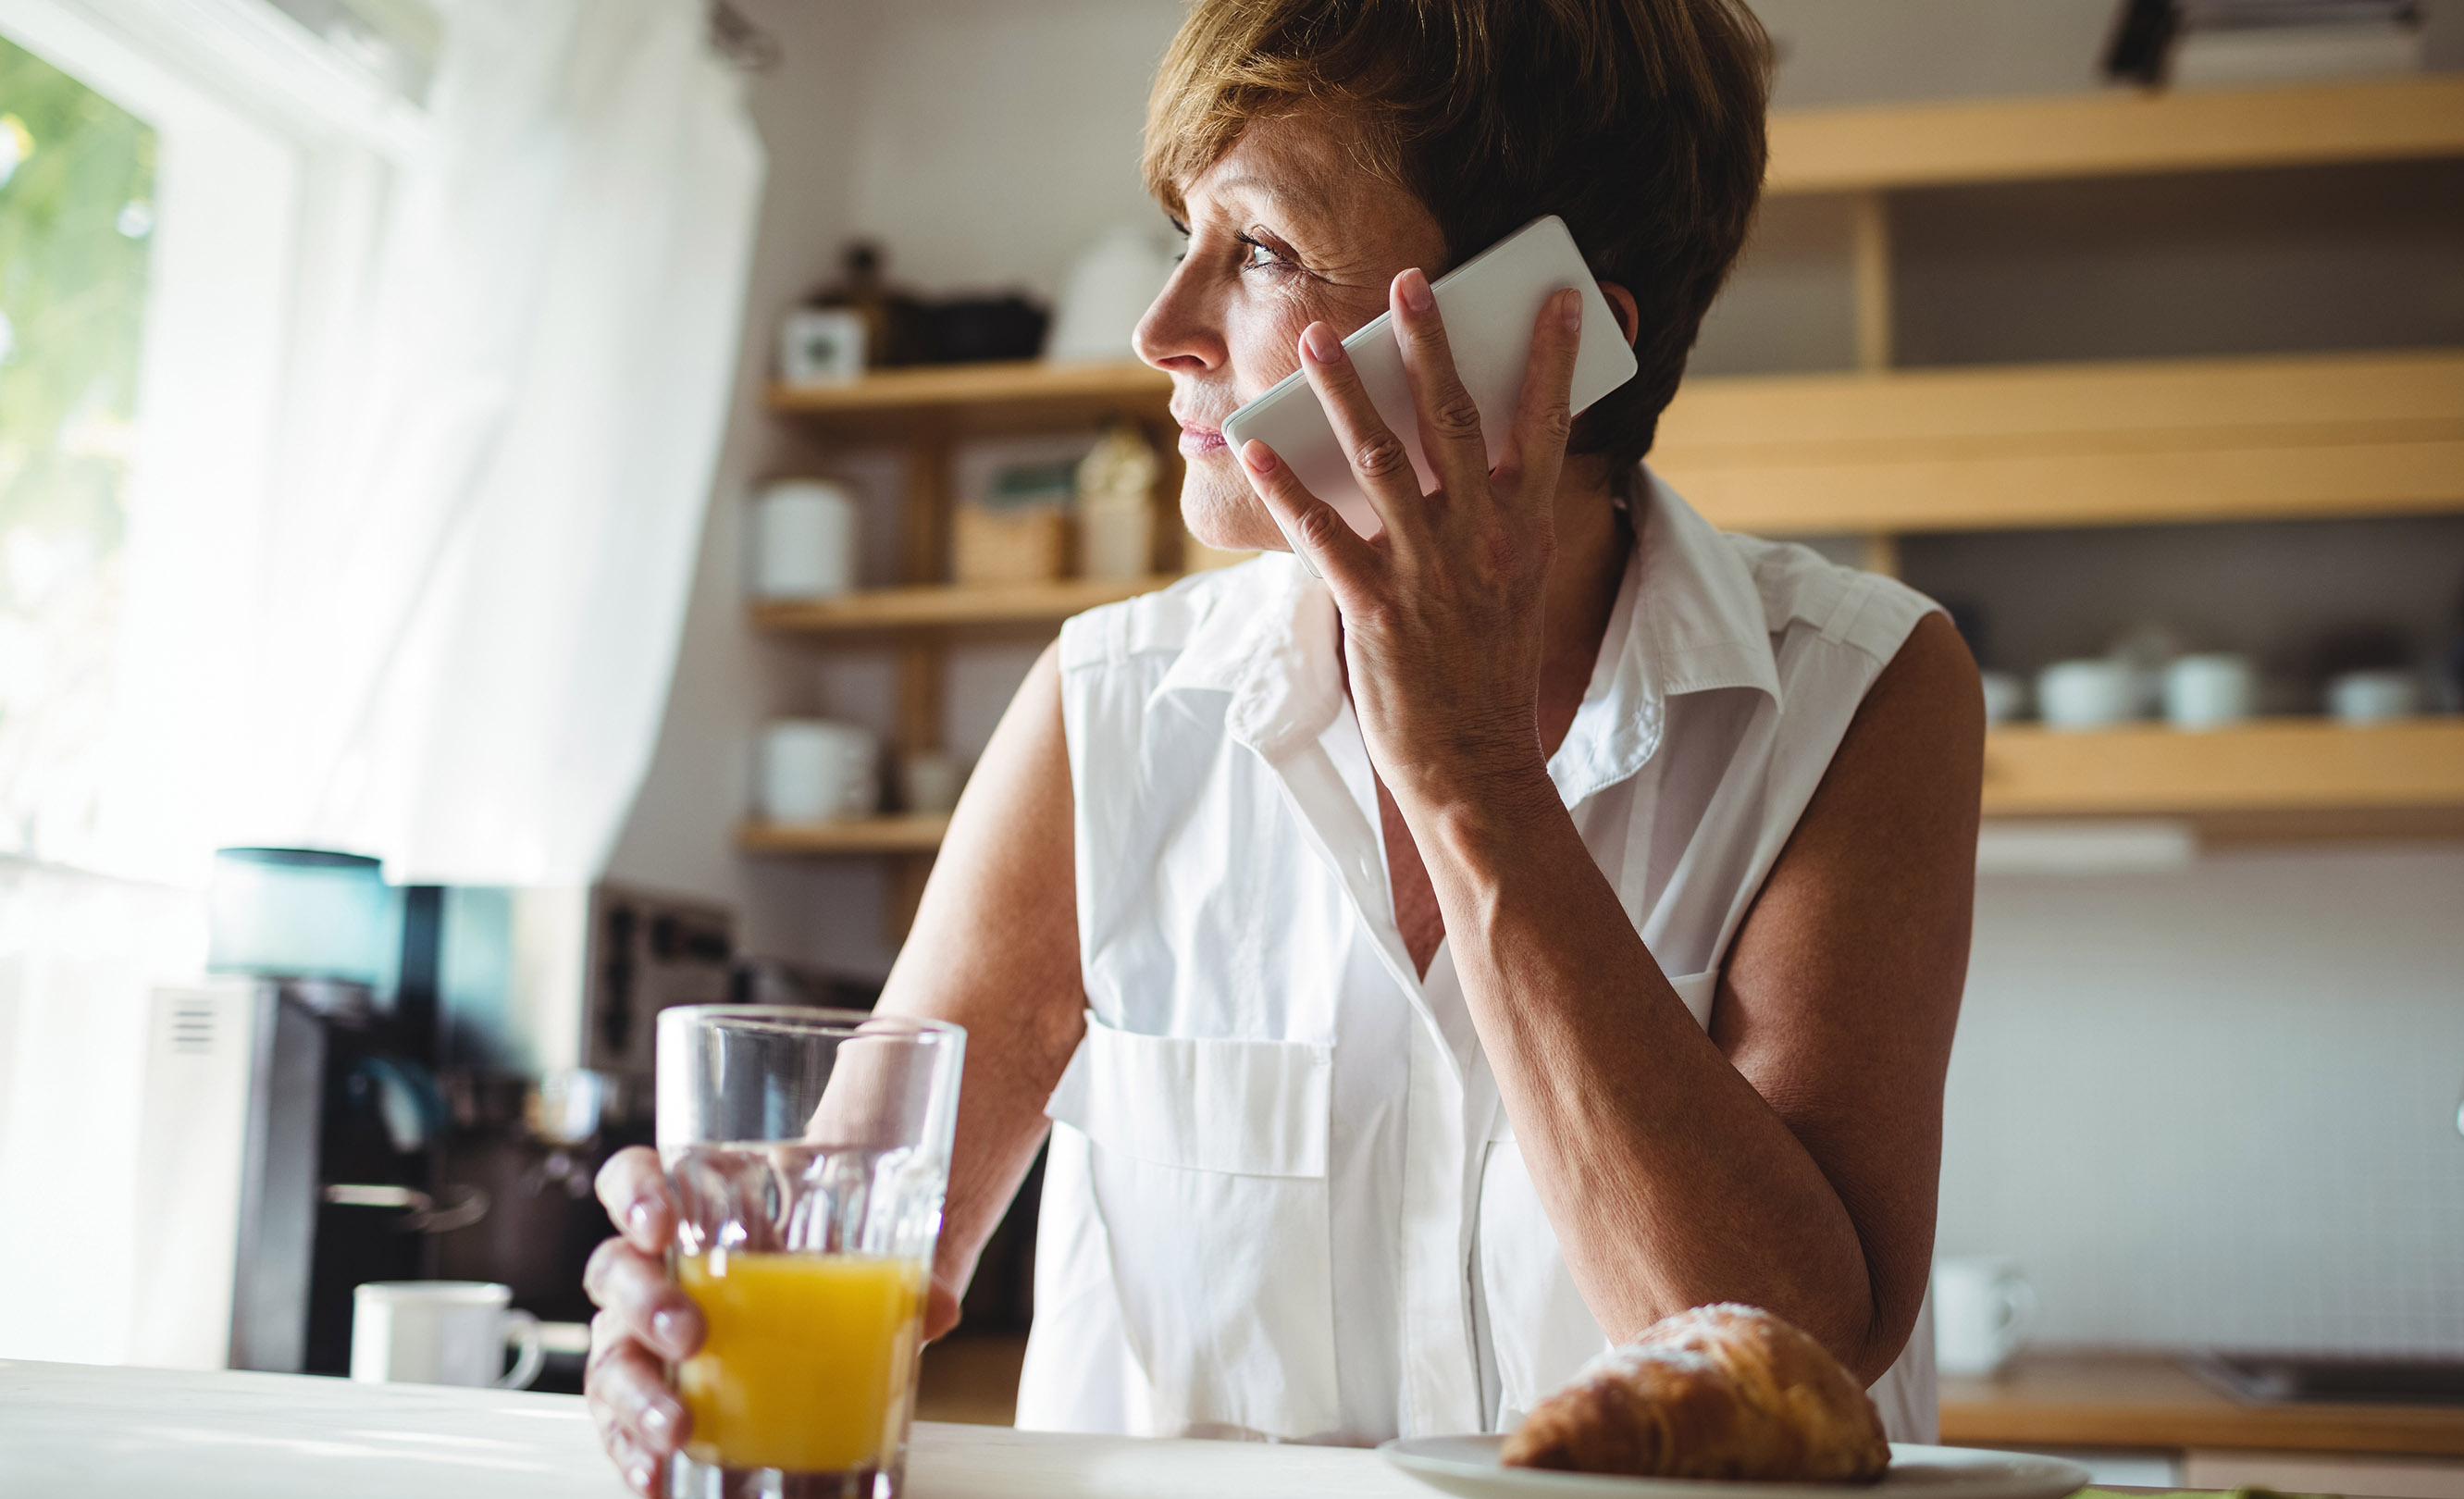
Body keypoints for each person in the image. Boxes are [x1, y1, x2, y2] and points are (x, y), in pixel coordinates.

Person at [585, 0, 1981, 1487]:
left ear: (1545, 345)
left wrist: (1478, 786)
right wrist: (681, 1310)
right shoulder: (1108, 705)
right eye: (1184, 232)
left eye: (1256, 249)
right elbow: (857, 1235)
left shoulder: (1859, 693)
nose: (1161, 327)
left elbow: (1795, 1353)